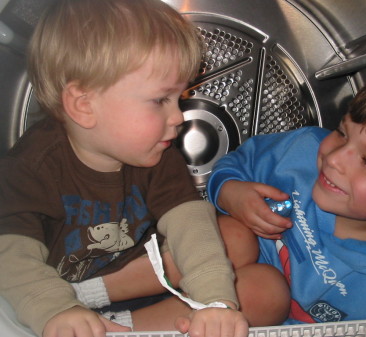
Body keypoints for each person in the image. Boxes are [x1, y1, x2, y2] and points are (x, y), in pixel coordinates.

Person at [0, 1, 248, 337]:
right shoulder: (32, 167)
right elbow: (11, 256)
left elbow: (190, 224)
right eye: (161, 100)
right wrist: (58, 310)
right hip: (52, 294)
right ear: (84, 105)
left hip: (131, 282)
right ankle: (85, 320)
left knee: (254, 268)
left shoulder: (156, 152)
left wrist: (216, 303)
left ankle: (115, 329)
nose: (178, 117)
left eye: (179, 99)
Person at [207, 68, 366, 324]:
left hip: (251, 320)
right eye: (342, 133)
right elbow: (236, 163)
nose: (335, 158)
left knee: (262, 291)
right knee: (231, 236)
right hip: (210, 265)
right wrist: (230, 193)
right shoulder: (301, 151)